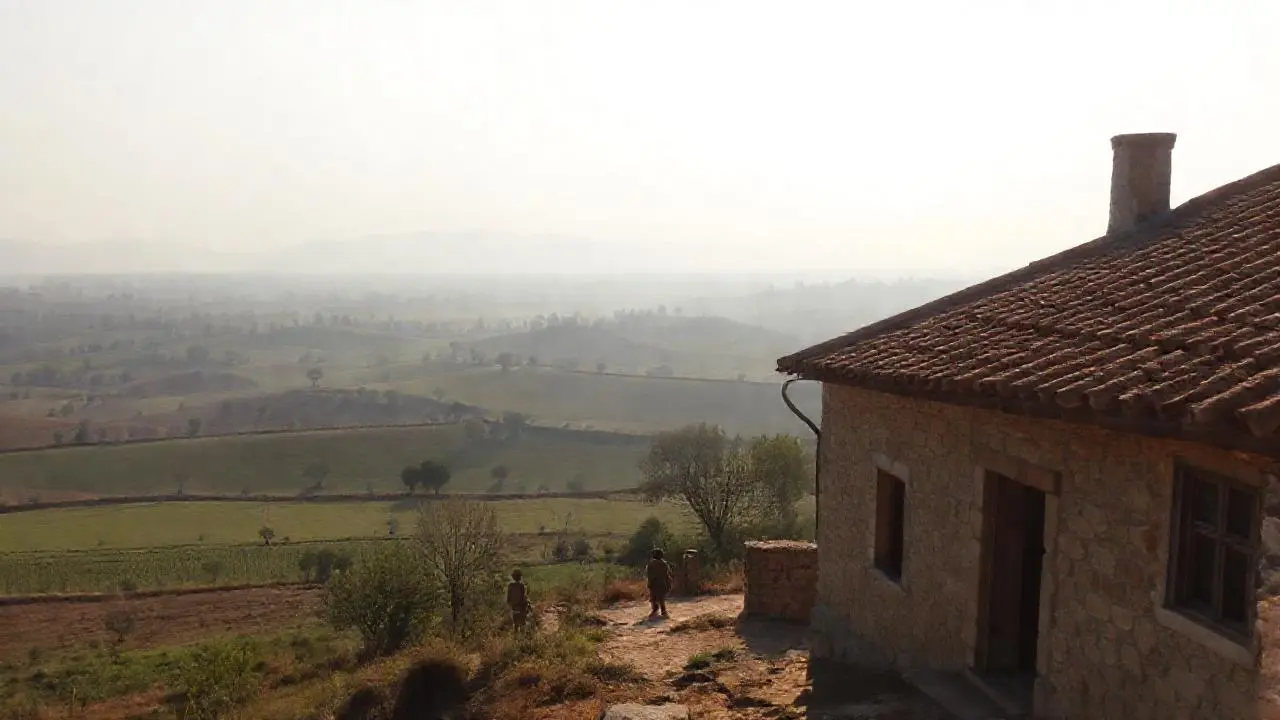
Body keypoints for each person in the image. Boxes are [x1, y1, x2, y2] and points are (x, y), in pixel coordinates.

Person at [645, 548, 674, 619]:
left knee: (654, 598)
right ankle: (663, 611)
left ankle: (655, 610)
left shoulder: (651, 564)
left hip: (655, 583)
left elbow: (649, 574)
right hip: (662, 582)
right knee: (661, 598)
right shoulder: (664, 563)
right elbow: (667, 574)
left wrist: (649, 582)